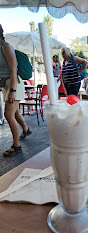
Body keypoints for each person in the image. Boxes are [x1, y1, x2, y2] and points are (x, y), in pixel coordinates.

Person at [0, 24, 31, 157]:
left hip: (14, 83)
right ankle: (26, 129)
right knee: (16, 112)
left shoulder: (5, 47)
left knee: (8, 114)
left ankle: (16, 146)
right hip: (5, 83)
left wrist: (12, 90)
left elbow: (13, 71)